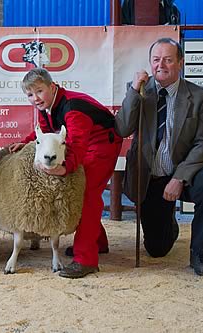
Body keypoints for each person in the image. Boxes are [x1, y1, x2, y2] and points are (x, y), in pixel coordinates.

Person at [115, 38, 203, 276]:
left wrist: (180, 178)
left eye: (168, 59)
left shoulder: (199, 95)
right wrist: (134, 91)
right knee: (157, 249)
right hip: (151, 176)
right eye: (156, 59)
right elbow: (122, 129)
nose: (160, 64)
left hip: (183, 170)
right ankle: (168, 223)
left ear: (180, 63)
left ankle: (200, 254)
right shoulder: (139, 91)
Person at [10, 68, 123, 279]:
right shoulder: (47, 106)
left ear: (52, 87)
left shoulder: (72, 108)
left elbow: (77, 144)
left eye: (39, 91)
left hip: (101, 144)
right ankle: (99, 242)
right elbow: (43, 131)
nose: (35, 98)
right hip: (86, 143)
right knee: (81, 192)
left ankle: (85, 259)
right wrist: (25, 142)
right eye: (30, 95)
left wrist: (65, 168)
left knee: (87, 194)